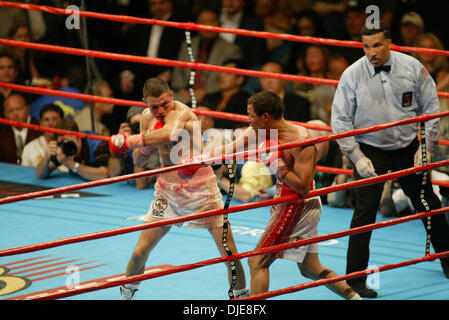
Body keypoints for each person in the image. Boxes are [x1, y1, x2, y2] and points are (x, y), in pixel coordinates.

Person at [331, 21, 449, 298]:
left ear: (389, 43)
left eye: (377, 45)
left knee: (428, 203)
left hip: (409, 148)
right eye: (366, 46)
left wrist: (426, 149)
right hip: (370, 150)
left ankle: (447, 257)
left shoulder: (412, 68)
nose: (371, 52)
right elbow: (340, 121)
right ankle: (356, 277)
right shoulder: (352, 75)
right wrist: (356, 157)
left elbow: (431, 106)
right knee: (364, 212)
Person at [208, 90, 360, 299]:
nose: (248, 120)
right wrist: (200, 157)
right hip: (286, 200)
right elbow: (230, 149)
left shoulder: (301, 143)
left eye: (251, 115)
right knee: (310, 268)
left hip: (297, 203)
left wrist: (275, 163)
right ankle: (354, 297)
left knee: (257, 261)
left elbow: (303, 187)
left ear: (266, 116)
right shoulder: (261, 130)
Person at [108, 77, 248, 300]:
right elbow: (140, 162)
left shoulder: (181, 112)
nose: (161, 110)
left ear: (171, 96)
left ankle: (242, 299)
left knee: (228, 253)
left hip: (200, 188)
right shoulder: (146, 118)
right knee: (139, 252)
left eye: (165, 103)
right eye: (155, 106)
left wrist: (129, 141)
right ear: (144, 103)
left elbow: (171, 133)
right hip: (167, 190)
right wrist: (143, 149)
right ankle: (127, 296)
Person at [171, 7, 242, 105]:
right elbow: (178, 70)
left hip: (212, 96)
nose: (207, 26)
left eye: (211, 21)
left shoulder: (231, 49)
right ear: (196, 24)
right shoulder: (188, 44)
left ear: (219, 23)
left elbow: (230, 80)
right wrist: (181, 89)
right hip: (183, 95)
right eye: (203, 22)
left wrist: (206, 92)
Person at [36, 118, 110, 181]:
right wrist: (46, 157)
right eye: (64, 142)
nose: (68, 146)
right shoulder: (62, 148)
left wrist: (71, 164)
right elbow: (40, 175)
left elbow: (104, 175)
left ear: (79, 136)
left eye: (71, 142)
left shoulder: (99, 144)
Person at [107, 106, 160, 189]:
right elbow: (113, 174)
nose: (138, 129)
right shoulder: (127, 138)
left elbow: (141, 184)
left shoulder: (155, 139)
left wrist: (140, 141)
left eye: (141, 125)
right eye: (135, 126)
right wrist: (119, 143)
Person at [202, 59, 250, 129]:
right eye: (221, 72)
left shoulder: (247, 101)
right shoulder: (210, 97)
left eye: (228, 73)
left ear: (239, 79)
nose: (222, 76)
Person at [0, 93, 42, 165]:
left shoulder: (40, 128)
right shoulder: (2, 134)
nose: (15, 114)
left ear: (27, 109)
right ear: (5, 114)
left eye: (19, 109)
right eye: (10, 111)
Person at [21, 103, 64, 168]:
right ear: (41, 123)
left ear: (61, 121)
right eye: (46, 120)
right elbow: (24, 174)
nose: (51, 123)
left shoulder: (70, 146)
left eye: (55, 119)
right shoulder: (29, 148)